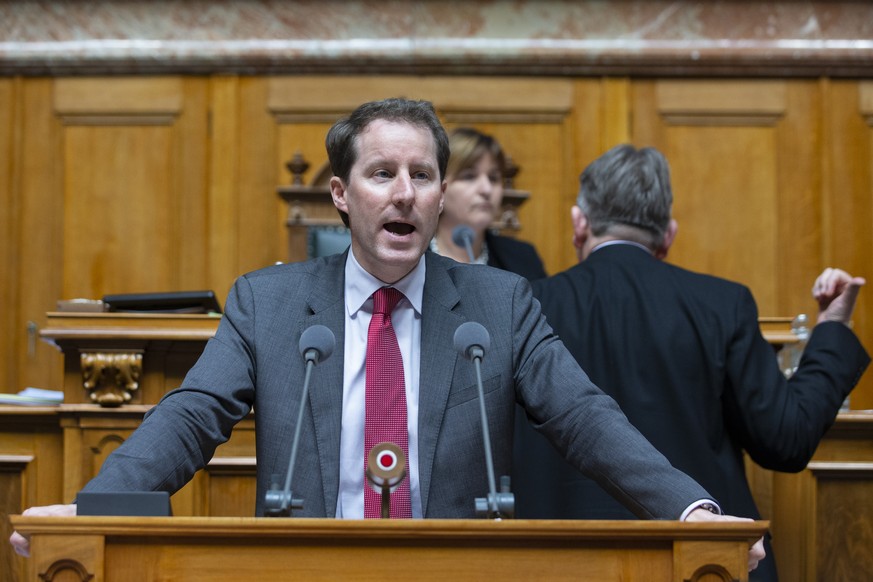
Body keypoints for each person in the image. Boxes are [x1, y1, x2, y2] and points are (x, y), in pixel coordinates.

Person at [11, 100, 765, 573]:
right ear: (340, 194)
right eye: (380, 173)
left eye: (421, 174)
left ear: (441, 197)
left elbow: (582, 416)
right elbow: (194, 413)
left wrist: (690, 511)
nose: (403, 192)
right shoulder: (267, 304)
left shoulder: (501, 305)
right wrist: (100, 506)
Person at [511, 144, 870, 581]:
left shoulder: (525, 305)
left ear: (579, 223)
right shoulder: (722, 304)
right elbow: (785, 438)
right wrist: (832, 328)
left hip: (557, 563)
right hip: (705, 562)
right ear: (668, 235)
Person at [431, 127, 546, 280]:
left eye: (493, 178)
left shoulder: (522, 259)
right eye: (469, 177)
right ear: (441, 187)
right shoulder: (412, 257)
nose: (486, 189)